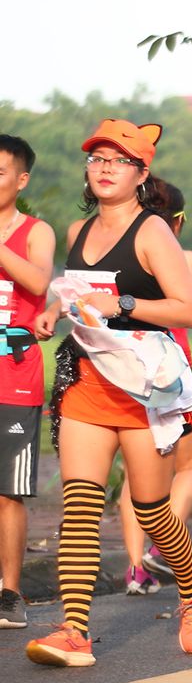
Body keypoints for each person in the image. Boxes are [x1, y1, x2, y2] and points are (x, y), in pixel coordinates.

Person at [28, 120, 192, 667]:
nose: (105, 168)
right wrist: (53, 311)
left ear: (141, 173)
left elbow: (189, 310)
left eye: (119, 160)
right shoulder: (78, 230)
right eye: (97, 159)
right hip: (87, 379)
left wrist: (125, 305)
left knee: (151, 509)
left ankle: (190, 587)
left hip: (145, 386)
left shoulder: (153, 232)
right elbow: (78, 292)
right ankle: (74, 631)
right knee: (81, 505)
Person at [117, 182, 192, 595]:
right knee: (188, 466)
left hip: (123, 372)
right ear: (179, 221)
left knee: (133, 473)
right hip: (171, 375)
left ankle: (136, 569)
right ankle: (162, 546)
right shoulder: (187, 260)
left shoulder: (119, 257)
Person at [0, 136, 54, 631]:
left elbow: (38, 283)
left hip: (14, 370)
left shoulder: (37, 232)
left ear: (21, 180)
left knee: (7, 492)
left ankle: (10, 593)